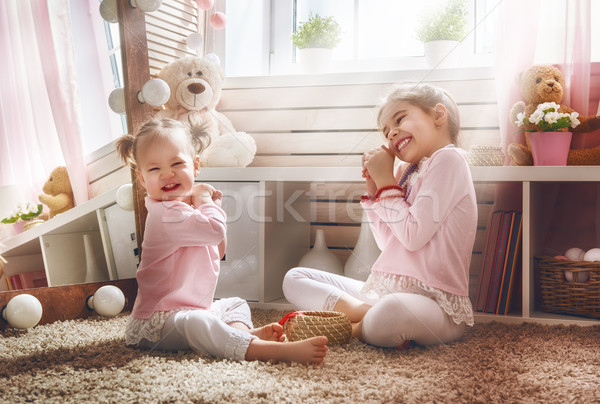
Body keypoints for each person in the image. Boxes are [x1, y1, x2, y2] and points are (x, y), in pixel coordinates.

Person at [116, 117, 328, 364]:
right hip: (157, 323)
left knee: (235, 304)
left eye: (176, 163)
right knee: (198, 323)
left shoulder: (187, 210)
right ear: (142, 179)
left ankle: (242, 334)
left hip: (193, 310)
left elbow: (217, 249)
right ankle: (268, 351)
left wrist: (205, 207)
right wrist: (206, 200)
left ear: (195, 167)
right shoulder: (165, 215)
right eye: (154, 169)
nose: (167, 173)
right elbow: (215, 231)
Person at [283, 83, 477, 348]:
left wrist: (387, 182)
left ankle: (359, 326)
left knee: (391, 312)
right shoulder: (407, 174)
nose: (392, 133)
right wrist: (375, 192)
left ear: (438, 116)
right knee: (294, 278)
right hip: (393, 294)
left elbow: (412, 236)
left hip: (437, 307)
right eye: (386, 131)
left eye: (400, 119)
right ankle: (365, 315)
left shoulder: (450, 159)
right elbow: (389, 245)